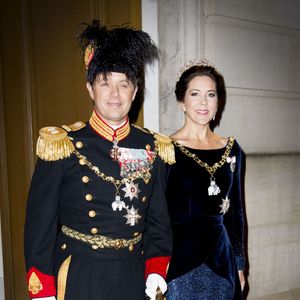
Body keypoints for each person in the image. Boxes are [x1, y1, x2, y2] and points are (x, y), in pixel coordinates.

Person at [24, 20, 174, 300]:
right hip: (80, 275)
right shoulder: (63, 144)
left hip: (133, 274)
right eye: (105, 83)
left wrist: (156, 269)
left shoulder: (151, 146)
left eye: (124, 84)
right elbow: (39, 225)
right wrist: (42, 290)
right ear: (90, 89)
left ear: (135, 90)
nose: (114, 94)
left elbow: (158, 220)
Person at [165, 59, 246, 299]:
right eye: (195, 94)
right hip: (180, 260)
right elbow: (157, 214)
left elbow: (236, 213)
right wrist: (156, 264)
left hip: (222, 258)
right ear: (182, 102)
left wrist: (240, 266)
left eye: (211, 94)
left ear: (218, 102)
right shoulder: (165, 150)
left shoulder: (232, 149)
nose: (203, 102)